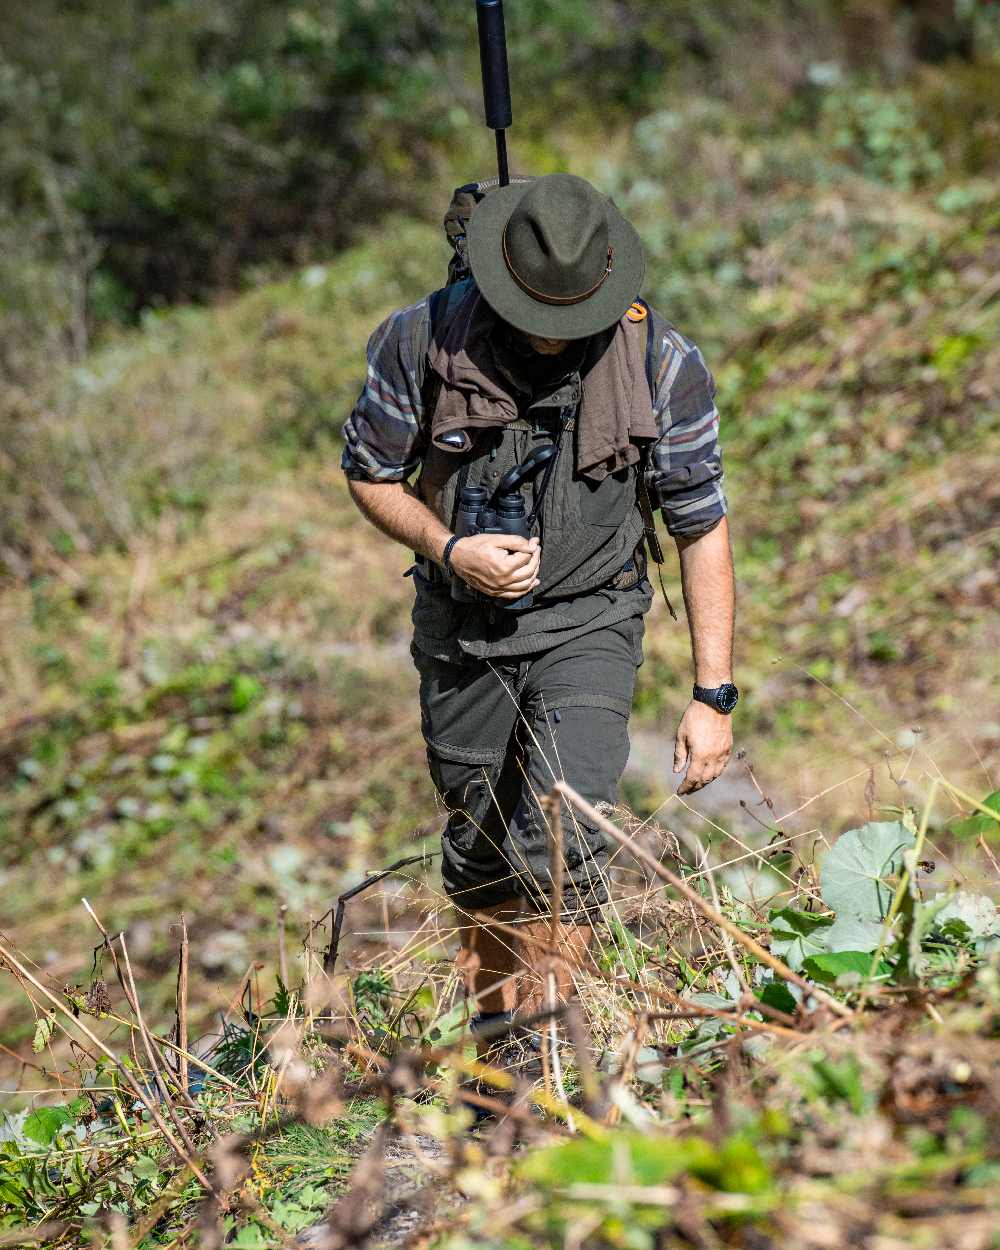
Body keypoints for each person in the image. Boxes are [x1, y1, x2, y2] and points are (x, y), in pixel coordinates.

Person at [341, 172, 736, 1037]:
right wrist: (449, 548)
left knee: (565, 837)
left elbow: (700, 524)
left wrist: (714, 695)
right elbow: (370, 473)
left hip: (593, 619)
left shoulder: (660, 361)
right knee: (481, 855)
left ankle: (549, 1056)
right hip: (463, 630)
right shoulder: (422, 341)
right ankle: (493, 1052)